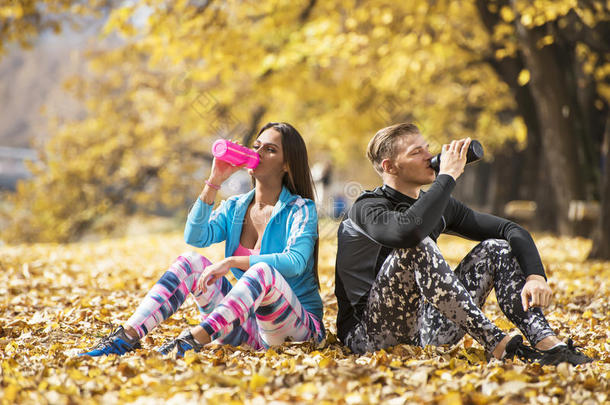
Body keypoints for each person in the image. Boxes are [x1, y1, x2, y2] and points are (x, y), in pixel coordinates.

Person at [334, 123, 593, 365]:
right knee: (417, 245)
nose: (429, 156)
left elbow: (509, 229)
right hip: (368, 336)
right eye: (416, 152)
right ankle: (498, 343)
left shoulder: (440, 205)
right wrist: (447, 176)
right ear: (390, 167)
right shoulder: (366, 208)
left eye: (427, 148)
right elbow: (407, 231)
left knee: (497, 247)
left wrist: (536, 276)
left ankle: (549, 344)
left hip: (426, 332)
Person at [81, 122, 324, 357]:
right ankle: (126, 337)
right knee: (191, 261)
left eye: (269, 150)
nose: (257, 153)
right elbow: (195, 236)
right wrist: (215, 179)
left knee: (262, 271)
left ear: (287, 165)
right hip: (249, 329)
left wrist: (232, 261)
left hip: (298, 331)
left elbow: (295, 262)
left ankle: (192, 340)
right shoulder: (236, 206)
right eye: (256, 145)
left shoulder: (301, 209)